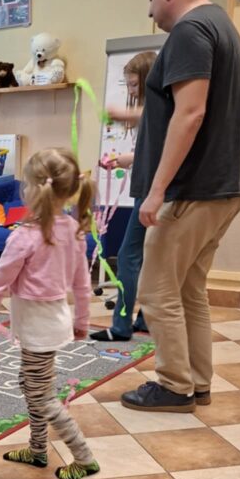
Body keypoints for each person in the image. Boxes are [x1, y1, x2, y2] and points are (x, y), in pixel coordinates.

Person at [120, 0, 240, 413]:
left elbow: (190, 114)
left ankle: (174, 385)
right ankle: (198, 380)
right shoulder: (222, 26)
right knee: (190, 289)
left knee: (155, 290)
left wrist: (156, 191)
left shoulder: (190, 31)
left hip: (194, 189)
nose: (150, 7)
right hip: (224, 186)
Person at [0, 147, 100, 479]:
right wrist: (82, 321)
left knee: (42, 396)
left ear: (31, 189)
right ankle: (37, 449)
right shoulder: (72, 228)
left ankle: (83, 457)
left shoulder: (24, 237)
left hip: (38, 328)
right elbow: (82, 285)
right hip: (51, 323)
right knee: (31, 386)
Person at [90, 50, 157, 342]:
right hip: (153, 191)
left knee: (129, 257)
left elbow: (156, 152)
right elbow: (147, 153)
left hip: (151, 193)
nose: (129, 91)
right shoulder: (157, 116)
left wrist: (122, 114)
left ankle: (121, 325)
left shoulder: (158, 110)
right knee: (147, 257)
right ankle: (144, 318)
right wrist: (121, 160)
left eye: (133, 85)